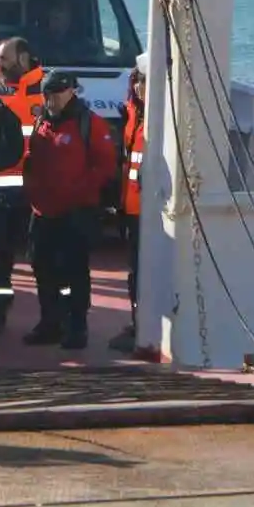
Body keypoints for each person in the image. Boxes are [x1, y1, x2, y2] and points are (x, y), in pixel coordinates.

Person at [22, 70, 116, 350]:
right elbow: (33, 158)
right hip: (43, 210)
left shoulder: (90, 125)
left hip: (75, 211)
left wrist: (79, 192)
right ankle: (50, 321)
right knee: (42, 266)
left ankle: (77, 326)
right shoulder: (42, 122)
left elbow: (106, 166)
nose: (50, 100)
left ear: (71, 92)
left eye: (55, 94)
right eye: (46, 94)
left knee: (74, 270)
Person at [0, 37, 45, 331]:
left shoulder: (48, 90)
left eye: (3, 59)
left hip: (38, 195)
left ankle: (55, 320)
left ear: (22, 59)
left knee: (45, 261)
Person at [110, 58, 147, 353]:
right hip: (131, 208)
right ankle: (138, 322)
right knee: (135, 271)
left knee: (145, 271)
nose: (140, 86)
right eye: (137, 80)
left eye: (145, 81)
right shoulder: (132, 115)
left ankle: (144, 326)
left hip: (151, 212)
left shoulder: (156, 118)